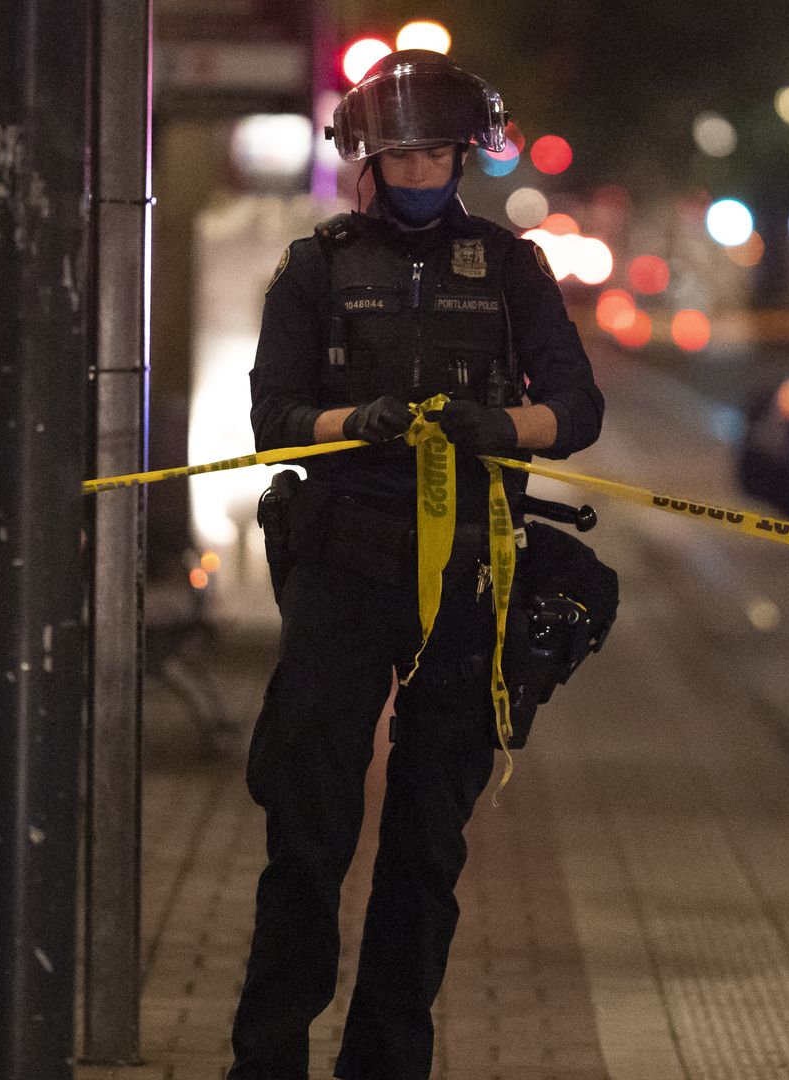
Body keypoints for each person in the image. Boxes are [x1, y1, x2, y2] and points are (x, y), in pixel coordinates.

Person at [229, 49, 604, 1080]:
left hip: (471, 577)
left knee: (428, 848)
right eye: (400, 152)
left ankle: (387, 1063)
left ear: (465, 153)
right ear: (368, 157)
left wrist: (502, 425)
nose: (419, 168)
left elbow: (578, 410)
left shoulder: (513, 266)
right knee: (307, 832)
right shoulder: (317, 266)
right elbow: (272, 421)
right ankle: (266, 1059)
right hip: (344, 569)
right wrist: (360, 423)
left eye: (436, 149)